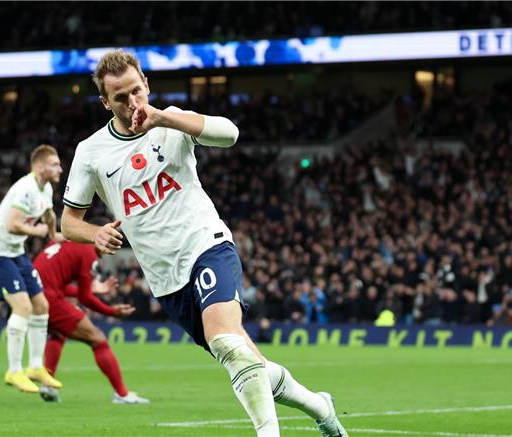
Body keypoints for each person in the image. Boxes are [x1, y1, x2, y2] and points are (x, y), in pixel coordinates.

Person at [60, 49, 347, 436]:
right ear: (105, 102)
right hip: (165, 280)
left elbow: (230, 134)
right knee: (244, 360)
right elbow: (68, 222)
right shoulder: (91, 152)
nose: (132, 103)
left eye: (136, 91)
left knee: (225, 340)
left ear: (146, 84)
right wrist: (94, 233)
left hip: (207, 245)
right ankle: (321, 408)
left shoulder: (171, 121)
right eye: (120, 97)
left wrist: (163, 117)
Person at [0, 145, 63, 394]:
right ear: (40, 166)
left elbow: (48, 214)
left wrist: (52, 233)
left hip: (17, 254)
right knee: (23, 307)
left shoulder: (45, 188)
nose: (60, 168)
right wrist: (35, 231)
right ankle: (14, 370)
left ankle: (35, 367)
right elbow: (12, 224)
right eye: (55, 164)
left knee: (41, 306)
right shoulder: (25, 188)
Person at [32, 234, 150, 404]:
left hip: (32, 294)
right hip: (48, 298)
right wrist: (111, 311)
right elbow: (84, 298)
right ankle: (122, 395)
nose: (109, 249)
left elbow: (57, 285)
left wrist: (91, 290)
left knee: (58, 334)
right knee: (97, 339)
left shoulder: (63, 241)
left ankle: (48, 384)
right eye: (110, 243)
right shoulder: (88, 251)